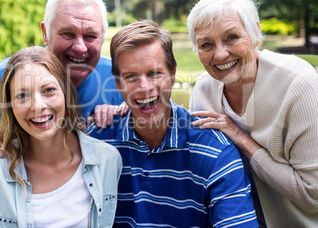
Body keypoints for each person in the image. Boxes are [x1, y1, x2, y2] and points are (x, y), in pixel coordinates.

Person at [87, 20, 258, 227]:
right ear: (118, 84)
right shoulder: (97, 142)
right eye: (131, 77)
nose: (144, 87)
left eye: (154, 73)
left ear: (173, 74)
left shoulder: (215, 151)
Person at [0, 46, 122, 227]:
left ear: (66, 93)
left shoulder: (108, 161)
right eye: (22, 95)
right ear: (10, 105)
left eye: (49, 90)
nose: (38, 105)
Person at [187, 0, 318, 227]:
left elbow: (313, 197)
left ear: (255, 32)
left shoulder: (298, 83)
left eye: (232, 37)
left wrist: (242, 139)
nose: (220, 54)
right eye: (206, 44)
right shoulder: (203, 90)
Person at [0, 0, 124, 166]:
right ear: (45, 33)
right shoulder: (6, 76)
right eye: (68, 33)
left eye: (90, 36)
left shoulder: (119, 76)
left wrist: (122, 110)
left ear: (102, 37)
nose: (80, 47)